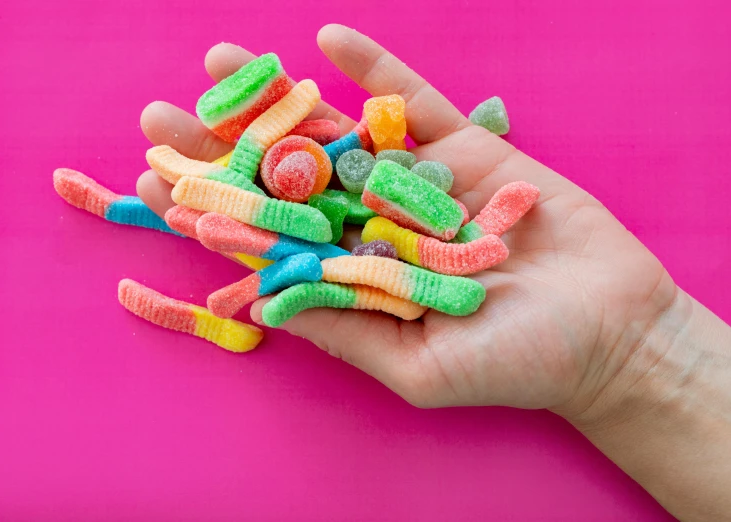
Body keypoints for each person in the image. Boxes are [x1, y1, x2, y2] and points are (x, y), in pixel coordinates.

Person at [135, 24, 731, 521]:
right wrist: (635, 358)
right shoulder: (311, 209)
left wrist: (632, 353)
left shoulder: (380, 205)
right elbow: (306, 230)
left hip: (397, 241)